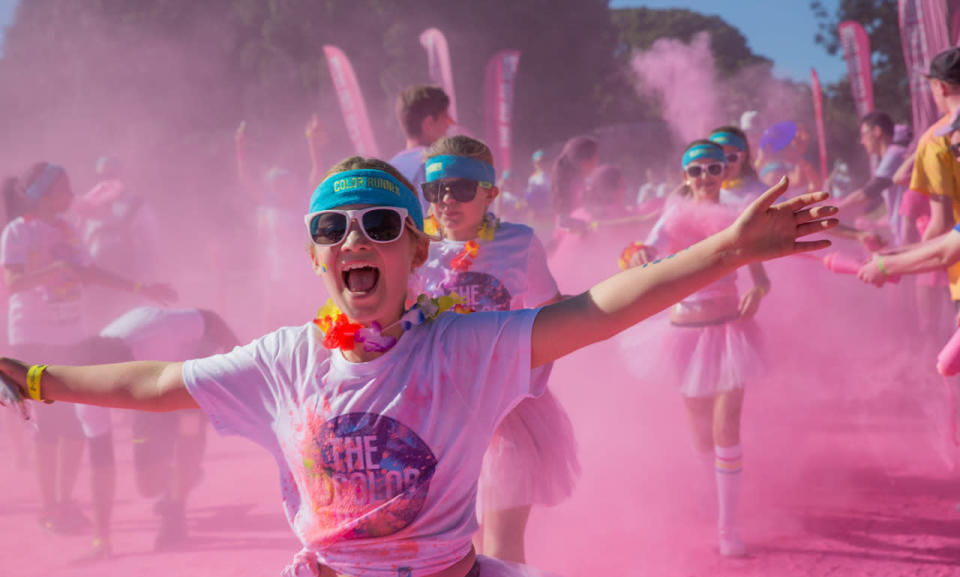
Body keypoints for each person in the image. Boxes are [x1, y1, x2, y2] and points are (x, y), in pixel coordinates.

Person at [0, 156, 836, 577]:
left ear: (415, 247)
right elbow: (154, 381)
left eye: (376, 223)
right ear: (314, 254)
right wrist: (36, 376)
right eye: (331, 229)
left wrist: (728, 247)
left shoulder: (463, 348)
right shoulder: (286, 358)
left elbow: (600, 308)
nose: (352, 239)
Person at [415, 136, 577, 563]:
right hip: (438, 423)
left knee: (503, 552)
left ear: (491, 192)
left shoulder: (519, 242)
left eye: (462, 188)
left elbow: (549, 313)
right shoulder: (415, 251)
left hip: (506, 416)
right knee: (457, 555)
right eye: (436, 190)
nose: (447, 200)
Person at [0, 162, 175, 536]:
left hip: (71, 337)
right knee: (48, 426)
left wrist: (139, 289)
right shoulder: (17, 232)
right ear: (43, 196)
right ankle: (50, 508)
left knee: (75, 424)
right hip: (32, 338)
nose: (71, 196)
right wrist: (52, 270)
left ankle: (65, 503)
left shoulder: (68, 229)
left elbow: (88, 272)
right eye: (64, 189)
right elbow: (13, 281)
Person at [623, 140, 771, 557]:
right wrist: (637, 257)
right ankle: (711, 497)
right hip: (685, 334)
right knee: (701, 431)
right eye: (697, 170)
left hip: (729, 333)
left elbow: (760, 274)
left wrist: (758, 291)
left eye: (714, 168)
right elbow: (645, 250)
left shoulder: (738, 217)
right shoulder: (673, 217)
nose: (706, 178)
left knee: (727, 426)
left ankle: (727, 527)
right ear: (684, 177)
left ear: (726, 171)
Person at [834, 112, 908, 245]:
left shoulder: (895, 154)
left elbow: (869, 191)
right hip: (905, 238)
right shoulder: (892, 156)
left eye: (863, 135)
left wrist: (834, 209)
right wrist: (874, 223)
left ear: (877, 132)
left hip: (912, 237)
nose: (862, 141)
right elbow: (898, 211)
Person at [389, 85, 454, 211]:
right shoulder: (436, 166)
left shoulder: (386, 169)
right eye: (446, 118)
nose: (451, 123)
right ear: (429, 123)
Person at [550, 136, 599, 233]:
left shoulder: (575, 183)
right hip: (573, 242)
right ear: (585, 162)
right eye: (596, 157)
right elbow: (564, 221)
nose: (597, 162)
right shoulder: (576, 187)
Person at [708, 126, 766, 206]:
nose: (724, 164)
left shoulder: (763, 194)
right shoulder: (702, 195)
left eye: (731, 157)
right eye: (718, 158)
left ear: (743, 157)